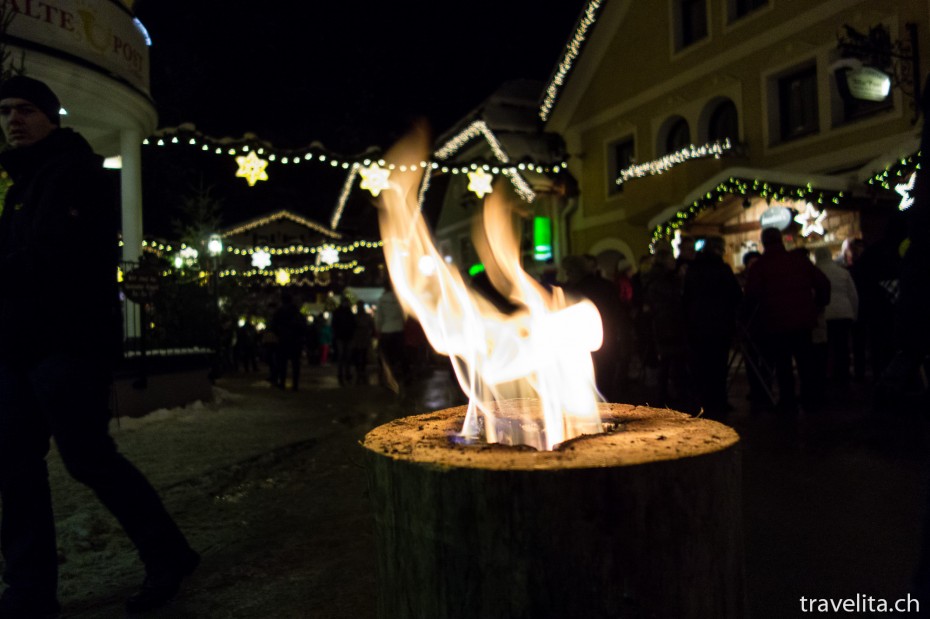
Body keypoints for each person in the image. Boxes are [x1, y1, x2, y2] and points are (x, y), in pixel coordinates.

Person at [0, 76, 199, 616]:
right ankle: (29, 590)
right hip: (21, 349)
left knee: (88, 459)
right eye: (5, 112)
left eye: (25, 110)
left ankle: (167, 554)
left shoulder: (75, 175)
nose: (13, 120)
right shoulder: (21, 185)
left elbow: (54, 261)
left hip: (68, 346)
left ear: (50, 117)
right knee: (15, 465)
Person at [744, 227, 830, 413]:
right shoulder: (798, 261)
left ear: (764, 242)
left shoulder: (760, 266)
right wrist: (818, 305)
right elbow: (822, 283)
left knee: (783, 365)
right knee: (805, 361)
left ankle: (787, 400)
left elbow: (751, 295)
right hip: (803, 321)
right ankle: (811, 397)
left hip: (775, 323)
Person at [682, 236, 743, 418]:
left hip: (698, 325)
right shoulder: (722, 269)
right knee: (719, 365)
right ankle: (719, 400)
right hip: (720, 325)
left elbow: (686, 298)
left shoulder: (693, 269)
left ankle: (703, 401)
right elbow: (736, 295)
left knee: (701, 365)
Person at [560, 254, 624, 401]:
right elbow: (619, 314)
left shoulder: (574, 291)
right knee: (606, 387)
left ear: (574, 271)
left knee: (589, 390)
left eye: (568, 272)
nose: (567, 276)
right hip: (609, 342)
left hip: (583, 348)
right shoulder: (606, 286)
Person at [813, 246, 858, 383]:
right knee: (842, 346)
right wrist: (854, 314)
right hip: (844, 313)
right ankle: (843, 374)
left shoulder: (815, 272)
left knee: (825, 347)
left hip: (824, 314)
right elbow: (853, 295)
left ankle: (827, 374)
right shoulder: (842, 272)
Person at [270, 292, 305, 390]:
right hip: (295, 340)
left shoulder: (280, 312)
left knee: (282, 363)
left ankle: (282, 382)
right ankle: (295, 384)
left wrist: (279, 334)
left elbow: (273, 326)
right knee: (295, 364)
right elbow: (302, 326)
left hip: (283, 340)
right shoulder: (296, 312)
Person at [375, 284, 406, 393]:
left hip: (386, 330)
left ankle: (388, 381)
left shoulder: (382, 300)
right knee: (398, 357)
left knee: (385, 358)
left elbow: (378, 318)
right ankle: (400, 379)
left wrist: (378, 329)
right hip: (398, 330)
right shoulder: (400, 299)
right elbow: (404, 315)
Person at [331, 296, 356, 386]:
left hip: (344, 336)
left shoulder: (340, 312)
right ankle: (344, 373)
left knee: (344, 356)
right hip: (343, 337)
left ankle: (344, 373)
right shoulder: (346, 313)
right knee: (344, 356)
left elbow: (334, 324)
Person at [349, 302, 375, 385]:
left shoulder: (355, 317)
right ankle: (361, 369)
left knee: (360, 353)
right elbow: (371, 325)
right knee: (362, 353)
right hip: (362, 336)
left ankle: (360, 369)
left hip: (360, 336)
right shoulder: (364, 316)